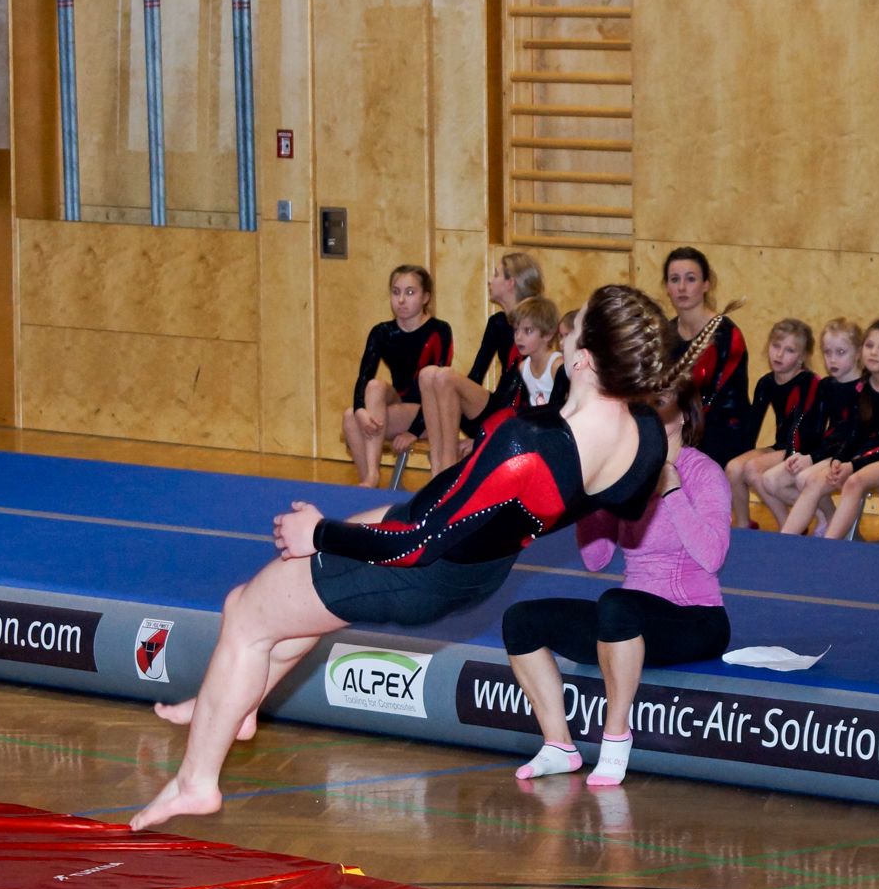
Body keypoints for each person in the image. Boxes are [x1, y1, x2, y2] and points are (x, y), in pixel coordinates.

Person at [132, 284, 686, 828]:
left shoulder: (529, 447)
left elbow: (413, 545)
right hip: (475, 558)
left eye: (574, 323)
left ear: (583, 359)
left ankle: (196, 783)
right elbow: (628, 504)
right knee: (274, 607)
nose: (563, 328)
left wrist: (318, 533)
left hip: (421, 566)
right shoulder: (644, 435)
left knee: (246, 618)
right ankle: (234, 704)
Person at [505, 379, 732, 789]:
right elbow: (596, 559)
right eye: (642, 403)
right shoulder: (630, 472)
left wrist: (672, 490)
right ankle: (559, 745)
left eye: (660, 402)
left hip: (696, 620)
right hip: (628, 618)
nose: (648, 411)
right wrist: (591, 499)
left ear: (685, 415)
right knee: (521, 619)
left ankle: (615, 737)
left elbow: (713, 556)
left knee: (617, 604)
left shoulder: (704, 472)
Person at [418, 251, 546, 473]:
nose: (489, 280)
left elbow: (526, 390)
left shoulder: (534, 325)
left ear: (510, 283)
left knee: (445, 376)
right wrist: (420, 425)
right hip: (494, 409)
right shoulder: (497, 323)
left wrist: (486, 437)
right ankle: (437, 470)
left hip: (517, 419)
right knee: (429, 374)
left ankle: (448, 468)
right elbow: (475, 376)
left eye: (495, 274)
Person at [341, 265, 452, 487]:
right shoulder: (382, 332)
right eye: (396, 292)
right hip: (400, 406)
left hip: (429, 413)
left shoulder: (438, 330)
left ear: (425, 297)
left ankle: (370, 482)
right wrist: (360, 409)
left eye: (410, 292)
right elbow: (364, 377)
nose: (401, 300)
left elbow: (439, 387)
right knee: (367, 396)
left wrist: (413, 432)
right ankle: (370, 479)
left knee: (349, 419)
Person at [754, 318, 862, 531]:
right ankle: (830, 517)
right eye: (827, 352)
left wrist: (812, 458)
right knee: (770, 480)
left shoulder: (864, 388)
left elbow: (853, 436)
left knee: (805, 478)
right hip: (830, 450)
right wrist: (801, 454)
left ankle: (790, 538)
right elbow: (815, 431)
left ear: (858, 353)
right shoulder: (827, 385)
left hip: (853, 452)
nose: (832, 359)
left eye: (841, 352)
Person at [662, 247, 751, 464]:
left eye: (690, 279)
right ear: (667, 286)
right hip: (680, 432)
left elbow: (721, 401)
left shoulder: (727, 334)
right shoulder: (665, 335)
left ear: (706, 284)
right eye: (675, 279)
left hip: (723, 434)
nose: (682, 287)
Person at [725, 318, 816, 529]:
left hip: (804, 449)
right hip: (781, 446)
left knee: (752, 469)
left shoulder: (808, 382)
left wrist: (791, 454)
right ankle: (744, 525)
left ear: (803, 357)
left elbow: (802, 426)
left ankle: (790, 526)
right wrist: (740, 452)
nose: (779, 355)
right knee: (733, 468)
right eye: (776, 346)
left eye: (789, 350)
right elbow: (752, 426)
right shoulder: (766, 382)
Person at [480, 295, 568, 418]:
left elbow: (560, 410)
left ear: (547, 334)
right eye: (516, 330)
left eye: (528, 331)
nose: (518, 337)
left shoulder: (557, 366)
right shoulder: (523, 367)